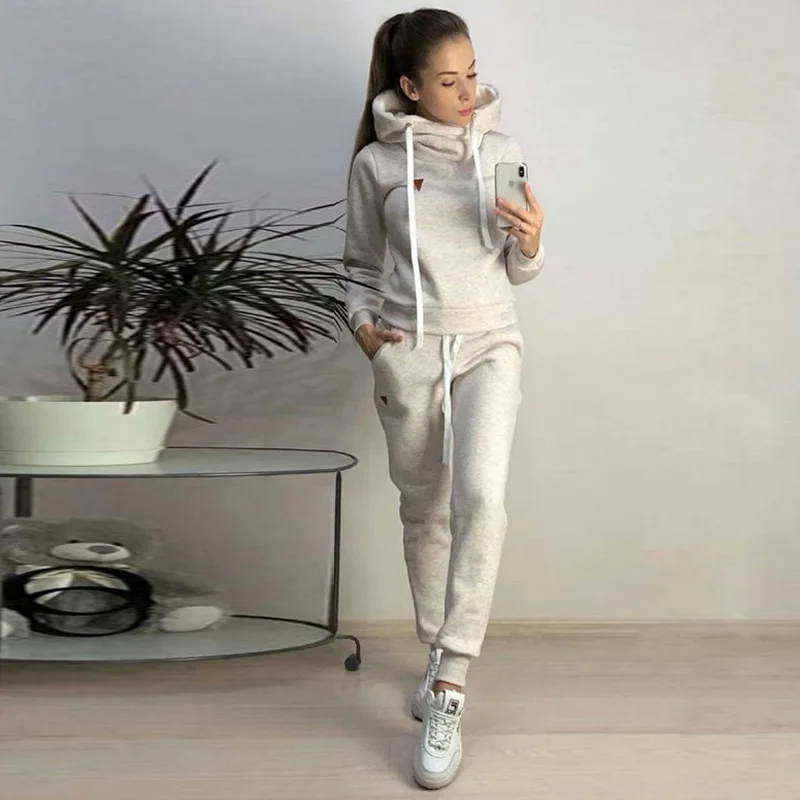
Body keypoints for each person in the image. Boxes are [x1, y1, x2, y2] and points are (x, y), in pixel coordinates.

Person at [344, 8, 545, 790]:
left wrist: (531, 243)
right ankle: (435, 647)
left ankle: (452, 683)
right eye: (449, 81)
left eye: (473, 76)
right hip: (409, 353)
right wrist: (366, 330)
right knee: (422, 506)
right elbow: (359, 267)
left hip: (490, 341)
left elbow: (520, 267)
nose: (468, 94)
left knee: (482, 498)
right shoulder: (376, 165)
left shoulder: (500, 150)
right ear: (409, 86)